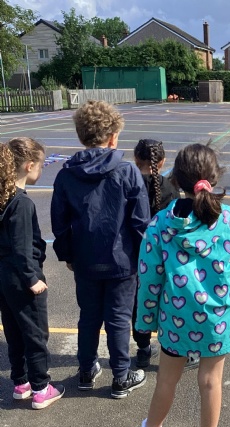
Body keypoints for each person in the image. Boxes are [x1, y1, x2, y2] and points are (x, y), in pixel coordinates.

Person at [115, 143, 230, 427]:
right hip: (219, 320)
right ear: (215, 176)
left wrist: (145, 321)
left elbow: (149, 278)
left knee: (167, 380)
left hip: (175, 319)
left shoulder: (160, 225)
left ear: (176, 180)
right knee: (210, 382)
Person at [51, 100, 151, 399]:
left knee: (89, 316)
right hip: (123, 260)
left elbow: (59, 222)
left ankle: (86, 370)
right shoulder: (127, 171)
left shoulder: (67, 174)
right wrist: (144, 257)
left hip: (85, 258)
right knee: (119, 317)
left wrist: (67, 254)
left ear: (81, 135)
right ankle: (120, 376)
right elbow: (140, 222)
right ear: (113, 137)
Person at [0, 138, 64, 410]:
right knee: (35, 332)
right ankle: (41, 387)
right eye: (40, 164)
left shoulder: (4, 197)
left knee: (14, 330)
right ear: (29, 166)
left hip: (4, 277)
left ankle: (21, 382)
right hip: (22, 278)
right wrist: (32, 279)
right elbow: (22, 247)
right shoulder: (21, 203)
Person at [132, 138, 199, 371]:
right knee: (172, 302)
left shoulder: (128, 184)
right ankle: (181, 350)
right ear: (162, 162)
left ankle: (143, 348)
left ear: (135, 159)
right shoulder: (170, 189)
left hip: (136, 255)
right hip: (168, 256)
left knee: (140, 301)